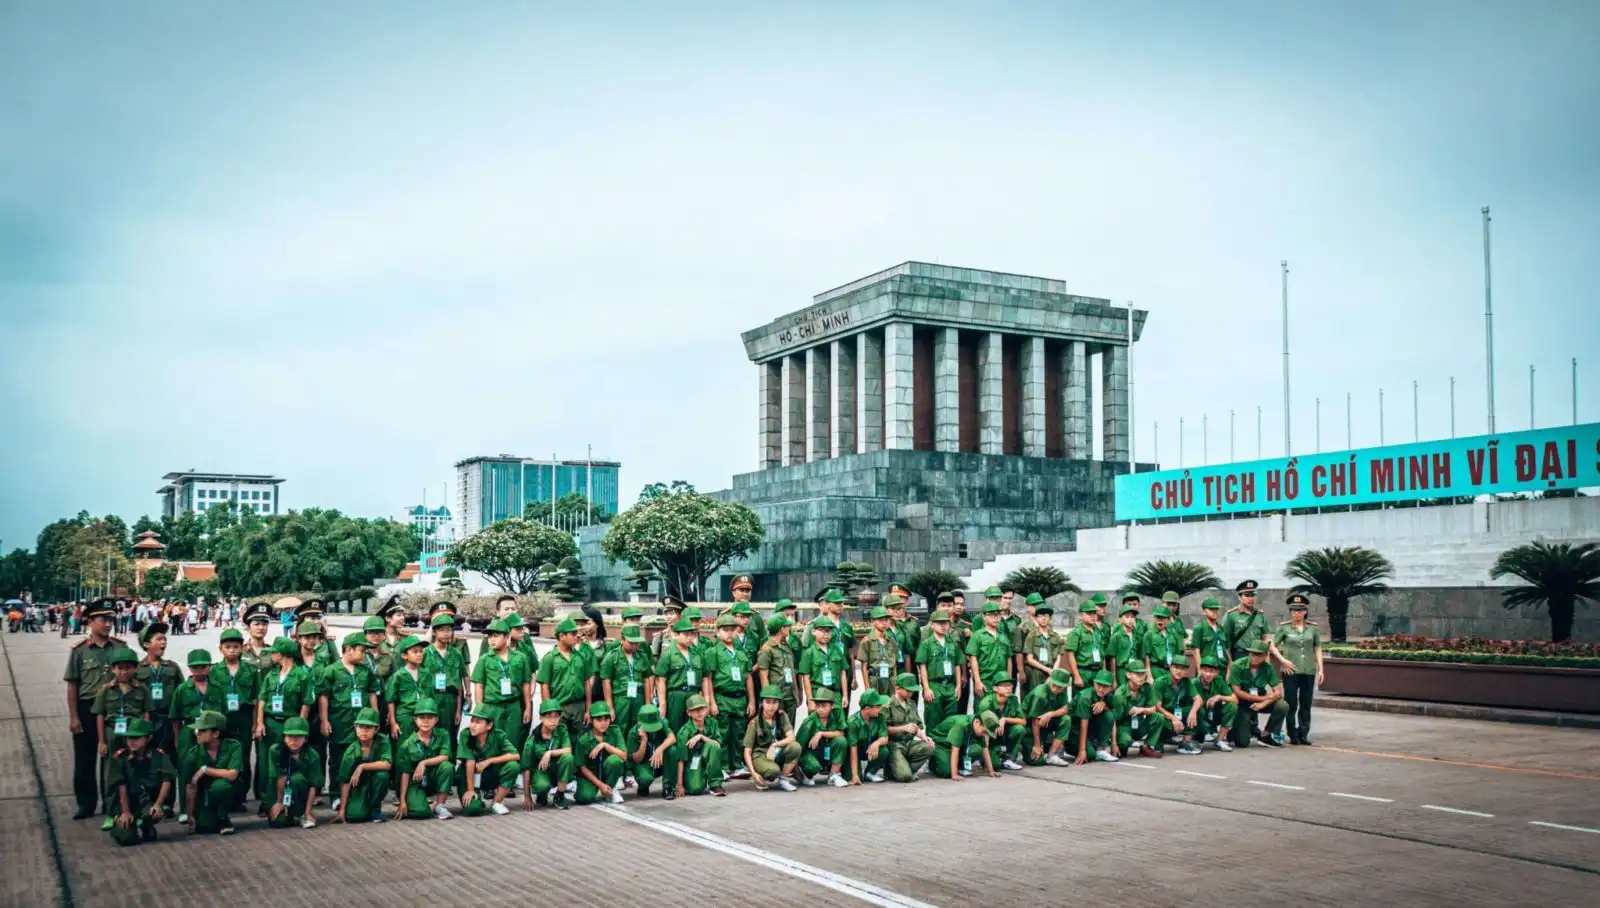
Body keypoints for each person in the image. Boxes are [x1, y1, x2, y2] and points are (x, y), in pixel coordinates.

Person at [64, 598, 122, 820]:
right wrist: (73, 716)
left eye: (111, 620)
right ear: (90, 621)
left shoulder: (120, 647)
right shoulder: (79, 651)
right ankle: (86, 804)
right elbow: (73, 685)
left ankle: (112, 803)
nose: (108, 624)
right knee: (85, 759)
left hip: (114, 710)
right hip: (87, 709)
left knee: (114, 758)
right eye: (103, 620)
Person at [254, 636, 313, 818]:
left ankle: (289, 801)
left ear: (282, 654)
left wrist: (300, 728)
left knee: (286, 763)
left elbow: (306, 702)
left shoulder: (302, 675)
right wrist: (259, 722)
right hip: (270, 723)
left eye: (274, 652)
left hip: (290, 724)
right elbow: (262, 699)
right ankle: (267, 801)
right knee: (266, 763)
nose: (272, 655)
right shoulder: (272, 674)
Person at [93, 646, 151, 829]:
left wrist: (145, 736)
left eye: (127, 667)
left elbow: (146, 712)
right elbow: (100, 715)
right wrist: (102, 741)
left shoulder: (141, 689)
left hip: (134, 732)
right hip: (112, 733)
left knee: (135, 771)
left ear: (135, 669)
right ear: (113, 669)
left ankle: (137, 811)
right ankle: (111, 813)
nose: (123, 671)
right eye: (119, 668)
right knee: (111, 773)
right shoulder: (106, 690)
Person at [320, 632, 377, 812]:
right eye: (361, 650)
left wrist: (374, 715)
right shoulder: (331, 670)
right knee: (337, 759)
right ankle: (336, 795)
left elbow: (371, 693)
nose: (364, 655)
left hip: (362, 723)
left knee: (359, 757)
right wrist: (324, 720)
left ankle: (356, 793)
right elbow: (324, 697)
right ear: (349, 650)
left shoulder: (365, 671)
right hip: (340, 721)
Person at [104, 716, 174, 846]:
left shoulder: (158, 756)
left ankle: (146, 826)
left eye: (136, 738)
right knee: (127, 839)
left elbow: (167, 780)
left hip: (146, 801)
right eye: (129, 737)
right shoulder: (120, 757)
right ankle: (118, 824)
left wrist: (158, 805)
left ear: (149, 738)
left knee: (153, 813)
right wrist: (125, 811)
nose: (132, 741)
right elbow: (121, 784)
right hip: (124, 802)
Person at [704, 614, 756, 780]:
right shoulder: (713, 652)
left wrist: (752, 701)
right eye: (725, 630)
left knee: (739, 732)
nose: (729, 633)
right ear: (717, 632)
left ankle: (738, 765)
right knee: (723, 733)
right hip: (723, 697)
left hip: (740, 699)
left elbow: (748, 677)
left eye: (732, 630)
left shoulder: (741, 653)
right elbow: (709, 679)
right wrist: (711, 702)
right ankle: (724, 766)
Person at [470, 618, 533, 755]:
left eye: (496, 636)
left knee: (513, 739)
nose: (491, 640)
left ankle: (511, 769)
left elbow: (525, 683)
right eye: (489, 636)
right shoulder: (485, 659)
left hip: (513, 706)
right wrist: (481, 710)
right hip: (493, 706)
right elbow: (479, 686)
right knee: (492, 740)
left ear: (507, 637)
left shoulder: (520, 657)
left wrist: (527, 707)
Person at [212, 627, 259, 809]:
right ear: (220, 649)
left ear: (242, 648)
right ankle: (226, 796)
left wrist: (255, 724)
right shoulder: (215, 671)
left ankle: (239, 797)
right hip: (223, 719)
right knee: (223, 757)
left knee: (243, 757)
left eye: (236, 647)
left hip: (244, 717)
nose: (232, 650)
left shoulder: (250, 670)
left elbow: (256, 699)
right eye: (228, 647)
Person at [167, 648, 215, 821]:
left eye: (203, 666)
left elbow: (223, 712)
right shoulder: (182, 689)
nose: (199, 670)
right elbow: (174, 717)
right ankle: (185, 810)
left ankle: (205, 807)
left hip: (210, 732)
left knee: (209, 768)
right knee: (186, 770)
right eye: (195, 667)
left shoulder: (217, 688)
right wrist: (178, 738)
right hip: (189, 732)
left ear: (209, 667)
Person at [1274, 593, 1324, 745]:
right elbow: (1272, 646)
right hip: (1291, 671)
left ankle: (1304, 733)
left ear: (1305, 611)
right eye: (1293, 610)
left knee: (1306, 703)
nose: (1296, 613)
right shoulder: (1284, 628)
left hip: (1308, 670)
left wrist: (1321, 669)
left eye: (1300, 610)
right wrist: (1282, 660)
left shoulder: (1313, 629)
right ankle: (1292, 733)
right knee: (1291, 703)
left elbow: (1317, 648)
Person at [184, 710, 243, 836]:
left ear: (216, 733)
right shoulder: (193, 754)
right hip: (205, 797)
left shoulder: (234, 746)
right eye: (197, 730)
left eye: (202, 730)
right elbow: (191, 786)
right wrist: (190, 815)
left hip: (228, 791)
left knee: (220, 786)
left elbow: (232, 775)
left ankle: (223, 818)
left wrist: (205, 770)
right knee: (204, 827)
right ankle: (211, 816)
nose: (197, 733)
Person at [396, 697, 455, 820]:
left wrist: (424, 763)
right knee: (421, 813)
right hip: (415, 783)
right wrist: (402, 801)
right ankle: (419, 803)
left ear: (436, 719)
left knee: (447, 766)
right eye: (422, 718)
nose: (426, 721)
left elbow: (445, 756)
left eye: (430, 717)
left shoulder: (442, 734)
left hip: (433, 778)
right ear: (415, 720)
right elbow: (405, 773)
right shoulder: (407, 744)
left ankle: (440, 805)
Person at [456, 705, 521, 816]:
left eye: (478, 722)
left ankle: (496, 803)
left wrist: (489, 761)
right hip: (469, 778)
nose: (472, 725)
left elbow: (515, 755)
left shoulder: (498, 735)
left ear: (489, 725)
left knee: (513, 766)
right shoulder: (465, 734)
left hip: (490, 775)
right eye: (472, 721)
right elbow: (469, 761)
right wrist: (470, 789)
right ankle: (476, 800)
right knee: (473, 810)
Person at [600, 624, 652, 756]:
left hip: (638, 698)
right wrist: (610, 706)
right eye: (631, 642)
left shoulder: (642, 656)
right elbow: (606, 682)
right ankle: (619, 761)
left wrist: (648, 703)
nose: (635, 646)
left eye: (637, 643)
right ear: (622, 639)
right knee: (620, 729)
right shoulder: (612, 657)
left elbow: (647, 680)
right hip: (620, 699)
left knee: (636, 729)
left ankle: (631, 764)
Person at [134, 622, 183, 759]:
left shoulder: (172, 667)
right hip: (146, 720)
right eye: (159, 639)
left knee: (169, 758)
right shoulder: (137, 669)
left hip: (169, 721)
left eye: (164, 639)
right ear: (146, 644)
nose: (163, 643)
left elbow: (181, 694)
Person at [539, 616, 593, 741]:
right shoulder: (549, 659)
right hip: (559, 707)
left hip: (578, 706)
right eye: (573, 634)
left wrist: (588, 709)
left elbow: (587, 683)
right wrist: (549, 711)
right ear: (562, 636)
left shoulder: (580, 657)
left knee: (579, 740)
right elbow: (545, 686)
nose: (577, 636)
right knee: (558, 740)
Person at [334, 707, 392, 823]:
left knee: (382, 776)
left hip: (375, 780)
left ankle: (375, 809)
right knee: (355, 816)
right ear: (355, 728)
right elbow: (344, 781)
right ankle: (359, 805)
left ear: (376, 729)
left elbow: (387, 764)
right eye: (360, 727)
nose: (364, 731)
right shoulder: (351, 750)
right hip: (358, 786)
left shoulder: (382, 740)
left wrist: (362, 766)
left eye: (368, 727)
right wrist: (342, 809)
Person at [1229, 640, 1289, 748]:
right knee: (1242, 743)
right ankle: (1234, 731)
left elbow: (1278, 692)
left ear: (1265, 656)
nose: (1254, 658)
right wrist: (1264, 698)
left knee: (1282, 705)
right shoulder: (1237, 666)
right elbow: (1237, 691)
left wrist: (1263, 703)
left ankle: (1266, 734)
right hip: (1242, 703)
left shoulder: (1268, 668)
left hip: (1260, 702)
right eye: (1252, 654)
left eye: (1258, 655)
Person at [267, 716, 323, 828]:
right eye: (290, 736)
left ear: (306, 738)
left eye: (298, 737)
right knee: (278, 822)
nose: (293, 740)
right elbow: (278, 777)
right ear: (284, 737)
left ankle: (302, 813)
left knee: (296, 779)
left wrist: (307, 812)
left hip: (301, 792)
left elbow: (313, 786)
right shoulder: (275, 751)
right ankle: (289, 813)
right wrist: (279, 802)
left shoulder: (312, 755)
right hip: (280, 792)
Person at [743, 684, 801, 791]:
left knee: (795, 747)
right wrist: (753, 773)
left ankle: (783, 779)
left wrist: (775, 745)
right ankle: (759, 777)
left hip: (776, 752)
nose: (771, 706)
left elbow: (791, 737)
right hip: (760, 756)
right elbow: (747, 751)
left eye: (775, 702)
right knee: (773, 771)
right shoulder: (754, 723)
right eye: (768, 702)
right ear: (761, 703)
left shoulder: (782, 716)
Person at [915, 608, 963, 734]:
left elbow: (957, 665)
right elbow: (923, 666)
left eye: (946, 623)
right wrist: (926, 688)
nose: (943, 626)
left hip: (950, 685)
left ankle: (947, 747)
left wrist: (958, 686)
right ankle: (932, 747)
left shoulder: (952, 644)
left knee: (951, 719)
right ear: (932, 624)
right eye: (939, 623)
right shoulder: (926, 644)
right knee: (933, 718)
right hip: (934, 685)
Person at [523, 700, 577, 808]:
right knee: (542, 786)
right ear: (541, 718)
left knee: (568, 758)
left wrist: (550, 753)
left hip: (556, 769)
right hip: (541, 772)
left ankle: (559, 795)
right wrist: (527, 797)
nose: (553, 720)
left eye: (556, 716)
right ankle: (541, 794)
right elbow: (526, 768)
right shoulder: (532, 740)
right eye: (549, 716)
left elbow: (568, 750)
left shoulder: (562, 730)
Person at [423, 613, 468, 743]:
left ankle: (449, 762)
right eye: (441, 630)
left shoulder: (456, 653)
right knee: (431, 735)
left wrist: (459, 709)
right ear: (434, 632)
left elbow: (459, 683)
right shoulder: (425, 652)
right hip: (431, 698)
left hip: (450, 699)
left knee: (450, 736)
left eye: (449, 630)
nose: (446, 633)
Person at [883, 673, 935, 782]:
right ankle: (897, 770)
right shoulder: (888, 705)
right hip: (895, 744)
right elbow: (883, 730)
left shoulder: (911, 704)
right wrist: (902, 728)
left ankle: (901, 769)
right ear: (898, 689)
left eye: (912, 691)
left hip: (909, 742)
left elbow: (917, 727)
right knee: (905, 777)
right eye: (908, 690)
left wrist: (923, 736)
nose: (911, 693)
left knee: (929, 747)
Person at [574, 702, 629, 804]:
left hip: (606, 772)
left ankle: (610, 790)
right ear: (591, 720)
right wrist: (600, 785)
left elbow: (624, 756)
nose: (603, 723)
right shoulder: (583, 739)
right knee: (585, 798)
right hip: (591, 775)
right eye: (599, 719)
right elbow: (582, 767)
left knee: (615, 760)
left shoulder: (615, 731)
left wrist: (605, 745)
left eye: (606, 719)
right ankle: (597, 788)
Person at [655, 617, 703, 732]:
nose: (689, 638)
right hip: (676, 695)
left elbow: (705, 678)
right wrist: (662, 705)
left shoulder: (697, 654)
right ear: (676, 635)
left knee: (693, 729)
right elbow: (660, 681)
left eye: (691, 634)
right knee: (675, 728)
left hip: (694, 694)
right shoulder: (668, 654)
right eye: (686, 634)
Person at [673, 695, 726, 797]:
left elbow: (718, 745)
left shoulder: (712, 723)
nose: (699, 712)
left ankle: (715, 784)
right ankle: (699, 777)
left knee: (713, 745)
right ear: (689, 713)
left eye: (702, 708)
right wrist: (679, 785)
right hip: (692, 762)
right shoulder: (684, 732)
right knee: (695, 789)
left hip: (707, 757)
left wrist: (701, 737)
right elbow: (681, 760)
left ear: (706, 709)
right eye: (695, 710)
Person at [795, 687, 849, 787]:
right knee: (813, 767)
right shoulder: (809, 722)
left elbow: (841, 733)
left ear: (832, 706)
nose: (820, 709)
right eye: (818, 705)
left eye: (824, 706)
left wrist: (821, 733)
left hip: (827, 750)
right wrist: (797, 771)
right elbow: (797, 748)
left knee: (841, 741)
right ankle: (806, 774)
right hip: (812, 753)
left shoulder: (837, 712)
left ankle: (834, 775)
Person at [972, 676, 1027, 770]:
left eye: (1010, 685)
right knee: (995, 766)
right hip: (989, 736)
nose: (1009, 688)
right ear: (995, 688)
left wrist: (1005, 719)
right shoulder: (986, 703)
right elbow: (980, 729)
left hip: (1004, 732)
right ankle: (985, 757)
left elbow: (1023, 721)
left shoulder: (1013, 699)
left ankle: (1008, 760)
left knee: (1019, 729)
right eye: (1005, 686)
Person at [1155, 653, 1204, 755]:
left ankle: (1185, 742)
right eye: (1176, 667)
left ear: (1186, 671)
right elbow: (1157, 706)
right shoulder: (1160, 682)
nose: (1179, 671)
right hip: (1165, 714)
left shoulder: (1186, 682)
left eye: (1182, 669)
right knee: (1158, 719)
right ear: (1170, 667)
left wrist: (1193, 712)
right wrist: (1173, 718)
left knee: (1198, 709)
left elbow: (1198, 699)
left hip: (1178, 712)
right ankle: (1156, 742)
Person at [1023, 668, 1074, 766]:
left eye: (1060, 687)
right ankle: (1024, 746)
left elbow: (1065, 708)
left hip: (1045, 723)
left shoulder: (1062, 691)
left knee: (1066, 719)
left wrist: (1050, 714)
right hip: (1030, 728)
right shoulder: (1040, 694)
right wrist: (1037, 746)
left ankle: (1051, 755)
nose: (1056, 688)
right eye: (1054, 684)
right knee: (1037, 761)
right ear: (1050, 680)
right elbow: (1034, 721)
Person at [1067, 671, 1120, 765]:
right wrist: (1082, 751)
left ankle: (1100, 749)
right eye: (1098, 685)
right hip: (1074, 731)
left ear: (1111, 688)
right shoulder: (1085, 697)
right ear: (1094, 683)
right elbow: (1083, 724)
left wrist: (1114, 744)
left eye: (1105, 686)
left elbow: (1112, 719)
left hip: (1090, 730)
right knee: (1090, 755)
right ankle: (1071, 748)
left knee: (1109, 715)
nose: (1101, 689)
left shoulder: (1110, 697)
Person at [798, 614, 848, 712]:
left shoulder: (836, 650)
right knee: (818, 724)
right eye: (822, 630)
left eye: (829, 631)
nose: (826, 634)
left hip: (835, 694)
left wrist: (845, 695)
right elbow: (806, 678)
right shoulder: (809, 652)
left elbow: (843, 673)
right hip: (818, 695)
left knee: (837, 724)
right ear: (813, 631)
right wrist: (810, 700)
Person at [1113, 665, 1165, 759]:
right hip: (1124, 727)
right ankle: (1123, 743)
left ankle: (1147, 746)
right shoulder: (1119, 694)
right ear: (1128, 675)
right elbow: (1114, 720)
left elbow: (1154, 708)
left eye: (1143, 674)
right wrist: (1114, 743)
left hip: (1139, 724)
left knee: (1158, 717)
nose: (1141, 677)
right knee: (1124, 746)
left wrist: (1142, 710)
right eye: (1137, 674)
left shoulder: (1147, 688)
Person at [930, 712, 1001, 780]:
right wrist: (954, 775)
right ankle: (932, 762)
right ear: (977, 722)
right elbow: (955, 749)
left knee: (978, 749)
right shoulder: (961, 724)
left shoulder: (978, 727)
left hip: (958, 745)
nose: (985, 735)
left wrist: (991, 771)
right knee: (946, 772)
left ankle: (957, 765)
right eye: (985, 732)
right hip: (940, 744)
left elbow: (984, 749)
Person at [386, 634, 429, 745]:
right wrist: (393, 722)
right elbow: (391, 700)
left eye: (421, 651)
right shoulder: (398, 675)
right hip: (405, 717)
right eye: (415, 652)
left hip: (423, 716)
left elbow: (431, 696)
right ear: (405, 655)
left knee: (421, 745)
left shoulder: (426, 673)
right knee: (403, 747)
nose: (419, 654)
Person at [626, 703, 675, 800]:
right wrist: (644, 741)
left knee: (672, 750)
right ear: (639, 722)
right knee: (645, 779)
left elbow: (672, 737)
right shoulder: (632, 733)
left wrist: (660, 749)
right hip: (643, 764)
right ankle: (643, 787)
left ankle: (668, 787)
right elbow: (636, 760)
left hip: (659, 761)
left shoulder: (661, 723)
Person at [756, 614, 799, 723]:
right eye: (787, 626)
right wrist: (770, 700)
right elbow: (763, 677)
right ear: (781, 629)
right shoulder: (766, 649)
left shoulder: (786, 646)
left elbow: (792, 670)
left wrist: (796, 693)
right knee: (777, 729)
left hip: (790, 695)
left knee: (789, 729)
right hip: (777, 697)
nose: (789, 628)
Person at [1017, 597, 1062, 696]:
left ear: (1050, 618)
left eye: (1046, 616)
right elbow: (1023, 654)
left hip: (1051, 670)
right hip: (1034, 671)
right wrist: (1021, 671)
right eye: (1041, 615)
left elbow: (1058, 656)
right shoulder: (1028, 632)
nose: (1044, 618)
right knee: (1034, 697)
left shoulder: (1055, 635)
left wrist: (1053, 672)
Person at [1195, 657, 1238, 751]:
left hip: (1215, 713)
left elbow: (1234, 699)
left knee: (1232, 706)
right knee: (1197, 710)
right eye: (1205, 670)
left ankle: (1219, 740)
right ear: (1200, 670)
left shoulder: (1219, 681)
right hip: (1200, 718)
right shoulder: (1194, 683)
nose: (1208, 674)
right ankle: (1196, 740)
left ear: (1216, 672)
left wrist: (1219, 697)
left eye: (1211, 671)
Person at [847, 690, 890, 784]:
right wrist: (854, 775)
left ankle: (870, 773)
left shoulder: (880, 717)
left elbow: (885, 738)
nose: (880, 708)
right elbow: (853, 748)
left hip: (870, 748)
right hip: (854, 752)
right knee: (855, 777)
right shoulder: (853, 722)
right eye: (877, 706)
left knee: (884, 750)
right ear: (867, 709)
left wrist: (877, 743)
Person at [858, 605, 900, 698]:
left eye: (886, 620)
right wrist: (867, 688)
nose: (884, 623)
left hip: (889, 680)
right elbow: (864, 667)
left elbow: (894, 666)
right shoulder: (867, 641)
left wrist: (895, 684)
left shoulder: (891, 641)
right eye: (880, 620)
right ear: (873, 622)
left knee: (889, 707)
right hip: (874, 680)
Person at [1064, 600, 1105, 689]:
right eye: (1089, 613)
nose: (1093, 616)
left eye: (1094, 613)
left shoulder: (1098, 631)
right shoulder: (1076, 632)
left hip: (1098, 672)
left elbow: (1102, 654)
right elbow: (1071, 655)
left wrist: (1104, 672)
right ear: (1081, 616)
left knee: (1098, 700)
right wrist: (1077, 676)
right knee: (1082, 700)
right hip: (1083, 672)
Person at [239, 602, 274, 674]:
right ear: (248, 627)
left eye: (264, 624)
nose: (261, 628)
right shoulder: (240, 651)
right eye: (256, 624)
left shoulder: (273, 651)